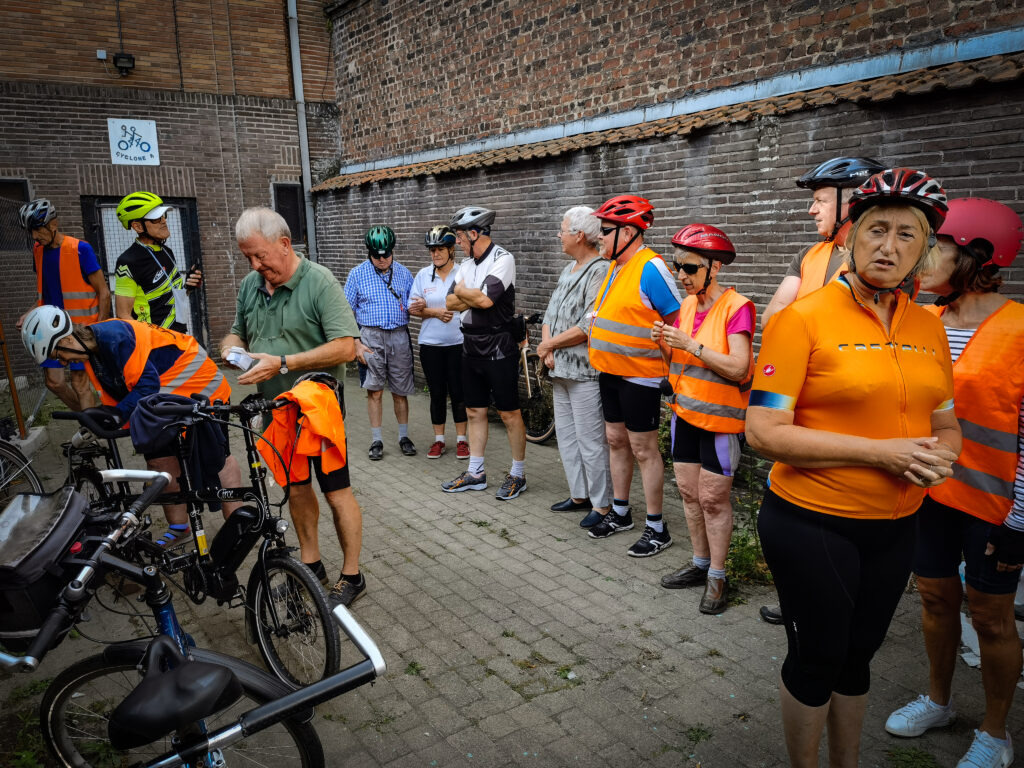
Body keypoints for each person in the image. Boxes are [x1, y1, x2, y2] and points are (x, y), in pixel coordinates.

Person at [745, 168, 962, 768]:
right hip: (813, 519)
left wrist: (944, 457)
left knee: (859, 657)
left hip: (897, 525)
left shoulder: (928, 328)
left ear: (924, 251)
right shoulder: (803, 319)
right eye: (876, 230)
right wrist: (881, 454)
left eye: (906, 236)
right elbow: (762, 431)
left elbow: (945, 424)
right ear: (849, 239)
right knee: (817, 659)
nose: (888, 247)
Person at [884, 197, 1024, 768]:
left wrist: (1019, 524)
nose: (919, 261)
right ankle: (939, 701)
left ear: (976, 255)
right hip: (930, 495)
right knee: (938, 600)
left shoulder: (1019, 328)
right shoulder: (924, 321)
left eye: (931, 248)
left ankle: (995, 732)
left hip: (994, 506)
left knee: (990, 618)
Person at [759, 155, 885, 625]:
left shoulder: (882, 261)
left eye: (818, 201)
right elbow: (775, 317)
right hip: (796, 399)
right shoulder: (810, 255)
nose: (811, 211)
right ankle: (800, 594)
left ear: (850, 201)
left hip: (843, 399)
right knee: (793, 504)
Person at [220, 207, 365, 607]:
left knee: (337, 493)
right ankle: (311, 565)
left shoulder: (319, 282)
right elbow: (238, 330)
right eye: (247, 257)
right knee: (297, 491)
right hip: (277, 414)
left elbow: (346, 347)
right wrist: (231, 347)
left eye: (260, 255)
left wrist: (283, 363)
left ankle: (352, 576)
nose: (255, 265)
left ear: (284, 244)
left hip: (319, 413)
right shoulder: (251, 285)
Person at [21, 307, 243, 545]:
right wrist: (103, 418)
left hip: (201, 385)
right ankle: (180, 530)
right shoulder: (91, 352)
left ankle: (237, 527)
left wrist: (117, 414)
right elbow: (121, 391)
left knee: (217, 458)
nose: (63, 362)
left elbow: (146, 385)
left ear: (66, 339)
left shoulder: (116, 337)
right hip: (162, 397)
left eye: (59, 355)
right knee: (159, 463)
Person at [655, 224, 754, 613]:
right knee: (689, 495)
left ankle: (717, 577)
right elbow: (677, 368)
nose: (681, 276)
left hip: (719, 423)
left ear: (714, 268)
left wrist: (691, 345)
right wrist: (664, 346)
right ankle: (699, 565)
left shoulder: (737, 307)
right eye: (678, 267)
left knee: (714, 500)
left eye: (690, 268)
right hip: (685, 417)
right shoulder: (688, 307)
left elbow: (739, 367)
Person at [587, 194, 682, 556]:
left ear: (627, 231)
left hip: (641, 374)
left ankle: (657, 527)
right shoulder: (616, 265)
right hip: (610, 371)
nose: (599, 237)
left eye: (605, 231)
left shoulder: (650, 267)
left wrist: (674, 374)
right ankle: (621, 512)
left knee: (644, 449)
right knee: (615, 440)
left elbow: (678, 321)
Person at [441, 205, 528, 500]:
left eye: (460, 237)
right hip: (469, 346)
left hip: (499, 346)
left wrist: (467, 294)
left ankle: (518, 474)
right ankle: (476, 472)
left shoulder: (503, 259)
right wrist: (469, 295)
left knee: (508, 414)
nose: (458, 243)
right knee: (474, 411)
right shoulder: (465, 266)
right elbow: (450, 303)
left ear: (475, 233)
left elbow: (486, 301)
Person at [536, 206, 611, 526]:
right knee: (566, 437)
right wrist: (546, 347)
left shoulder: (600, 270)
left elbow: (588, 325)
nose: (559, 235)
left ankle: (603, 504)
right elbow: (550, 315)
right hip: (559, 368)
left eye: (563, 229)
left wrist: (550, 345)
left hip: (584, 371)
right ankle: (580, 494)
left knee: (591, 440)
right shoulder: (568, 270)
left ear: (580, 235)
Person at [16, 198, 109, 410]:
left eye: (38, 230)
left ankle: (90, 429)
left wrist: (100, 328)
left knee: (79, 383)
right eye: (31, 231)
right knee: (54, 383)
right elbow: (46, 294)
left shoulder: (80, 249)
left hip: (80, 331)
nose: (34, 236)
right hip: (51, 332)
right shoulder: (38, 251)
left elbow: (103, 292)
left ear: (53, 224)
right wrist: (29, 313)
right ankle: (92, 421)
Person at [344, 225, 417, 461]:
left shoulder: (405, 274)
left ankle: (404, 436)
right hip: (371, 337)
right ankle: (376, 440)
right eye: (377, 256)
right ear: (369, 253)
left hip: (399, 336)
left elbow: (414, 305)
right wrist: (355, 343)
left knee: (400, 391)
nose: (382, 259)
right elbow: (346, 313)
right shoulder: (357, 274)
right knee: (374, 391)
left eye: (387, 254)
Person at [408, 225, 468, 459]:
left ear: (452, 249)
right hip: (431, 344)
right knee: (436, 392)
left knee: (459, 392)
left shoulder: (463, 273)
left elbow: (471, 303)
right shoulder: (423, 275)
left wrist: (429, 306)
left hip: (458, 342)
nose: (435, 254)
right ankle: (439, 440)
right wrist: (434, 312)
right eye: (432, 250)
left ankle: (462, 441)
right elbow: (414, 308)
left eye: (440, 249)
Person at [113, 191, 202, 334]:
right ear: (138, 227)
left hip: (178, 335)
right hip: (155, 342)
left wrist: (188, 287)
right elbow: (123, 315)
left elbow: (168, 299)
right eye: (155, 219)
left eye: (163, 216)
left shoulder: (167, 251)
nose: (163, 221)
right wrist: (148, 343)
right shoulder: (128, 262)